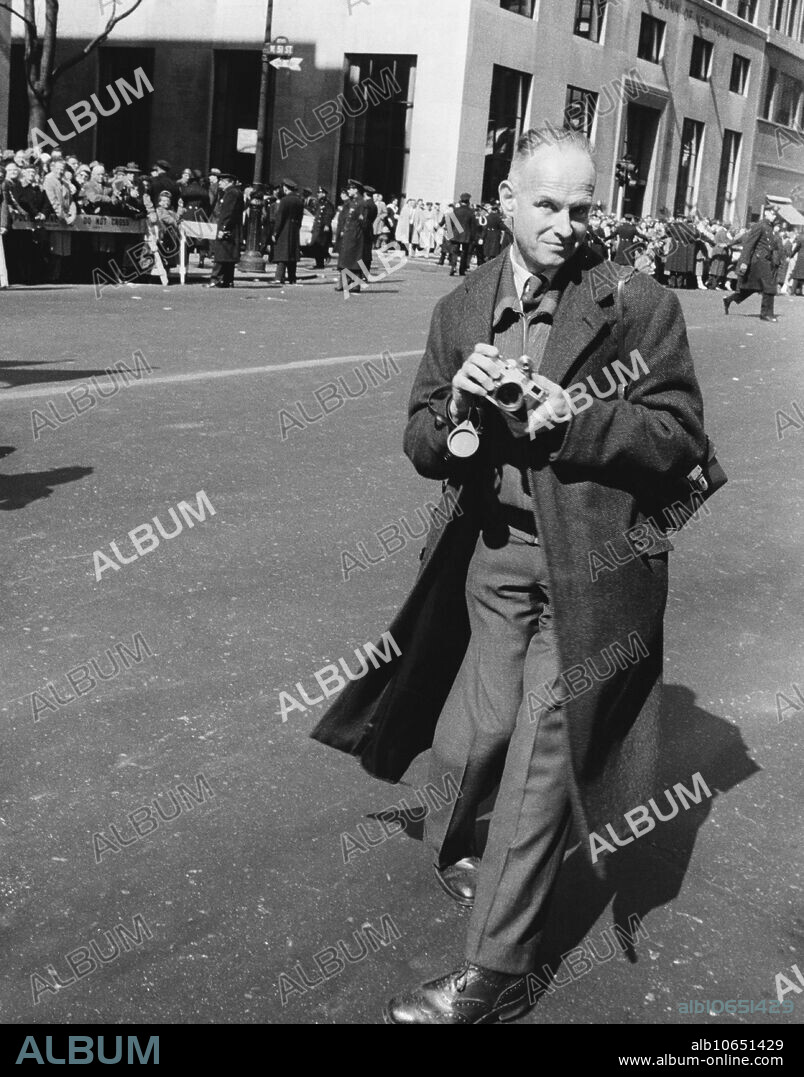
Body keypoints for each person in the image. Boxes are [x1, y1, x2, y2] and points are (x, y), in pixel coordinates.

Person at [310, 126, 709, 1024]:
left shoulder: (635, 303)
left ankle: (491, 974)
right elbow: (419, 437)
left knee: (537, 761)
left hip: (592, 570)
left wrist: (577, 418)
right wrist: (456, 409)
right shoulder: (460, 307)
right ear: (507, 199)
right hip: (490, 556)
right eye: (547, 205)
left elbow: (680, 437)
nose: (567, 225)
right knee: (471, 735)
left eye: (582, 207)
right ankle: (456, 844)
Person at [723, 206, 784, 322]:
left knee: (752, 287)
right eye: (772, 214)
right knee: (769, 286)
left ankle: (729, 300)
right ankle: (766, 314)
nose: (774, 217)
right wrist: (744, 262)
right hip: (758, 261)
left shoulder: (769, 227)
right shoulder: (759, 226)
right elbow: (748, 245)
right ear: (766, 213)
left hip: (766, 261)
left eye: (776, 215)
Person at [206, 172, 243, 288]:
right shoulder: (236, 192)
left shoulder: (230, 193)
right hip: (234, 228)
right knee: (229, 255)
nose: (220, 183)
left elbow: (228, 212)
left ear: (229, 182)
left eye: (222, 181)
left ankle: (215, 279)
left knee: (221, 255)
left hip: (227, 228)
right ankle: (228, 280)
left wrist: (223, 228)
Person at [335, 178, 368, 293]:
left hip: (355, 236)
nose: (348, 191)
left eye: (350, 188)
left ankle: (355, 285)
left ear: (356, 190)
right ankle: (343, 283)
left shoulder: (361, 203)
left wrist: (355, 233)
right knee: (346, 259)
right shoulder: (351, 202)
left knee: (354, 260)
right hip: (348, 234)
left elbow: (363, 222)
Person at [272, 177, 305, 285]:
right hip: (294, 229)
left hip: (284, 230)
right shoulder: (299, 201)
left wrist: (275, 232)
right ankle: (292, 278)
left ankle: (279, 277)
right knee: (292, 255)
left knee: (282, 254)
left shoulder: (285, 200)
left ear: (285, 188)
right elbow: (300, 219)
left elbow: (280, 218)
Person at [448, 192, 476, 277]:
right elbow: (473, 225)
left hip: (456, 233)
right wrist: (473, 236)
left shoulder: (456, 210)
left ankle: (453, 266)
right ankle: (461, 270)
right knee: (464, 252)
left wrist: (450, 234)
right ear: (468, 201)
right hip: (466, 235)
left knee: (454, 251)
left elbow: (450, 222)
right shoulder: (471, 212)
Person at [309, 186, 335, 269]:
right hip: (317, 227)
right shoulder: (318, 203)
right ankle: (319, 262)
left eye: (320, 193)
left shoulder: (328, 204)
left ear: (324, 194)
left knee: (321, 246)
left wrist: (327, 224)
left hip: (323, 228)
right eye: (318, 193)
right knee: (315, 246)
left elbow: (329, 214)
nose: (318, 194)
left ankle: (322, 261)